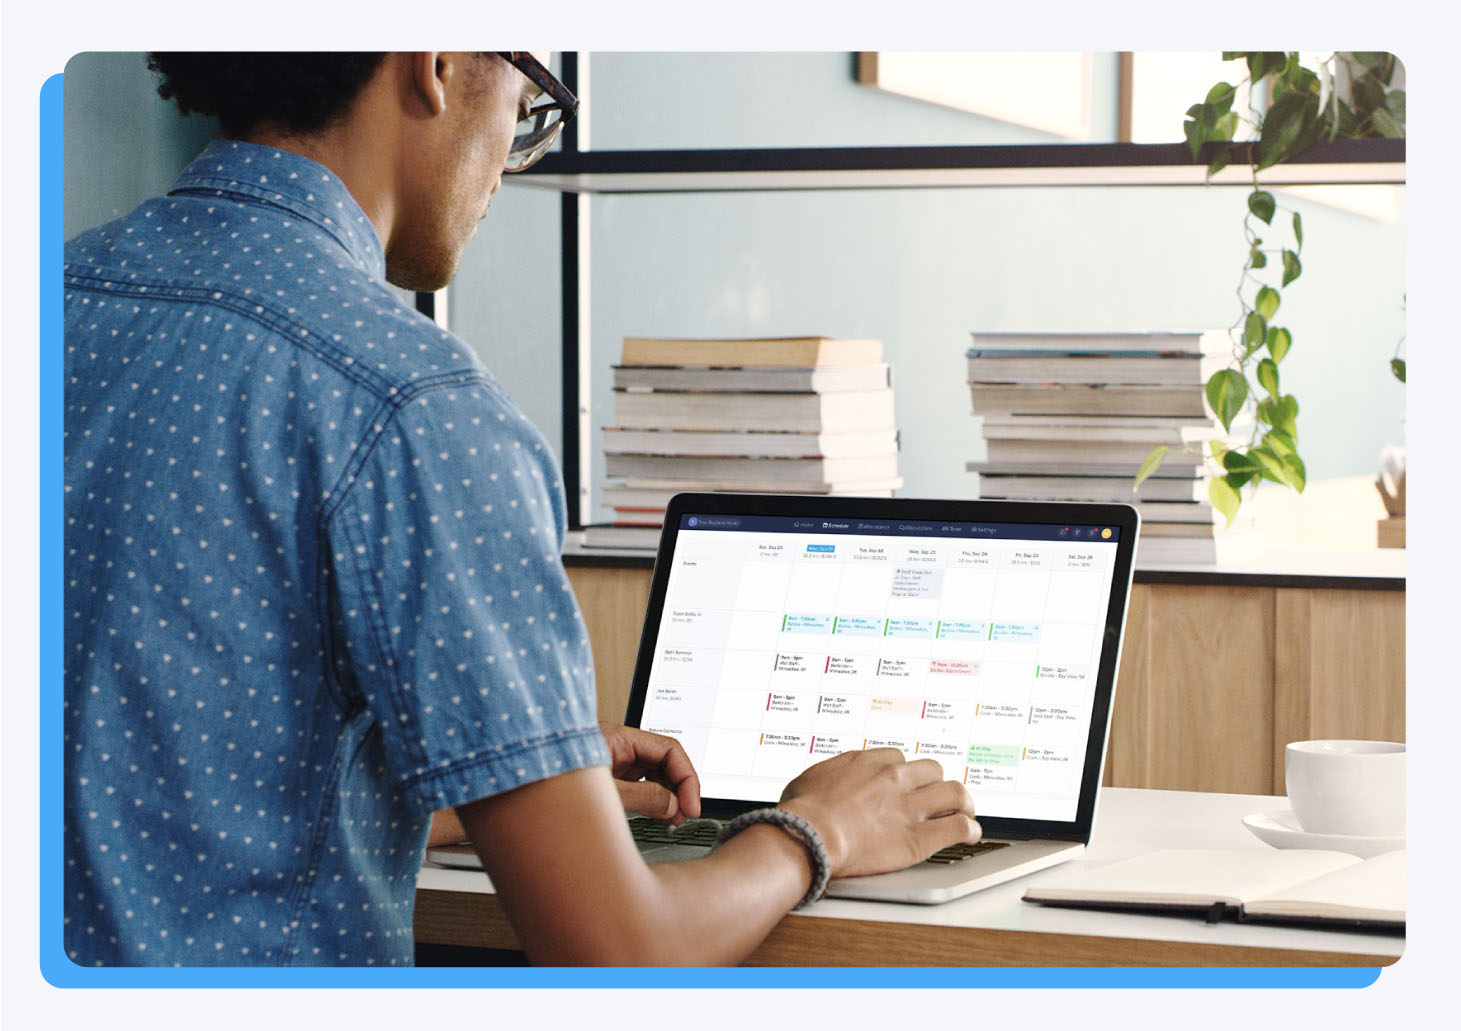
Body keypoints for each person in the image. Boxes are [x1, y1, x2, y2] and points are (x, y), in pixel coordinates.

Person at [63, 51, 981, 967]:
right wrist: (816, 830)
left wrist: (504, 791)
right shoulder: (411, 403)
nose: (509, 152)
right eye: (527, 103)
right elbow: (621, 955)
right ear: (439, 63)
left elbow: (155, 798)